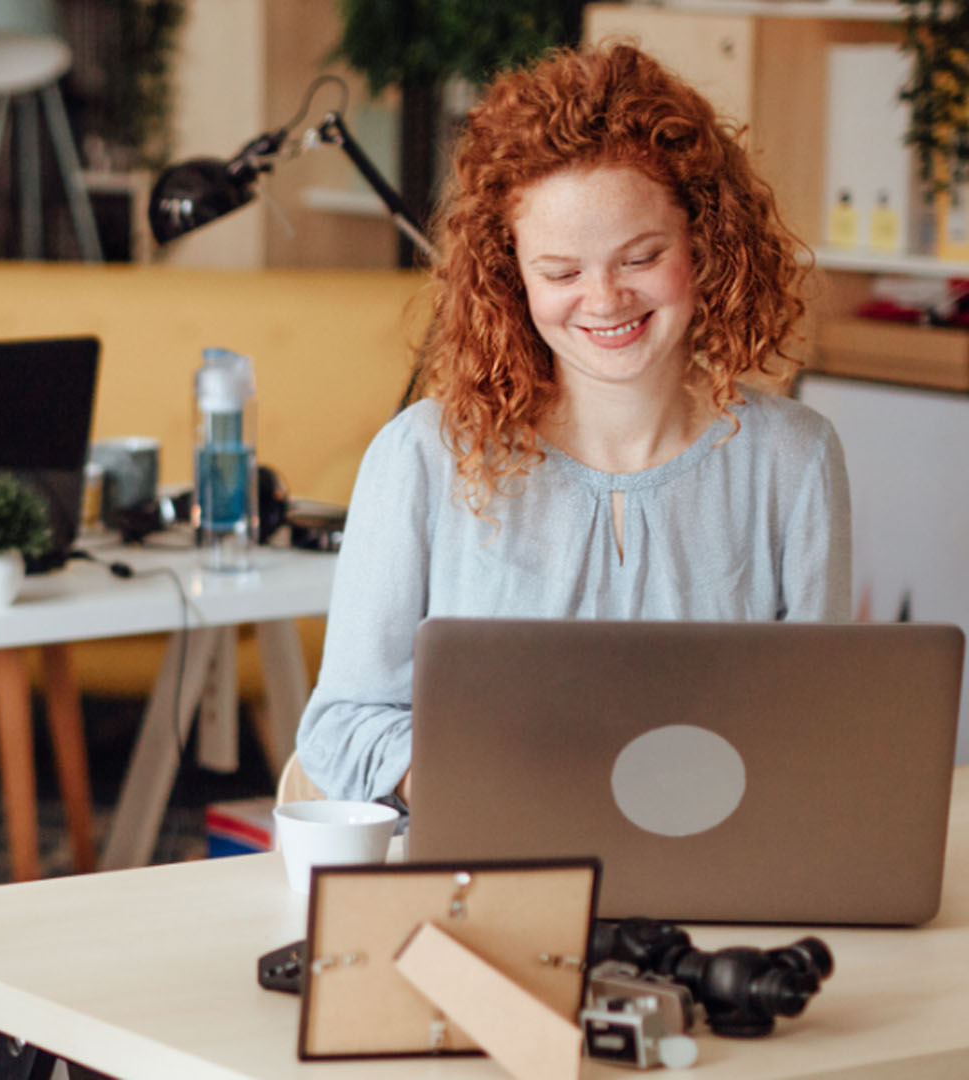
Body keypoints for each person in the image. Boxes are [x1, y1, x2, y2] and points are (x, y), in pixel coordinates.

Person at [296, 44, 851, 805]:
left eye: (641, 257)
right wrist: (486, 788)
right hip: (494, 878)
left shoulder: (795, 458)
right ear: (510, 276)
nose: (604, 299)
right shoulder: (423, 456)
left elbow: (822, 729)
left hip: (716, 890)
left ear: (705, 240)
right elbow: (343, 725)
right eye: (560, 272)